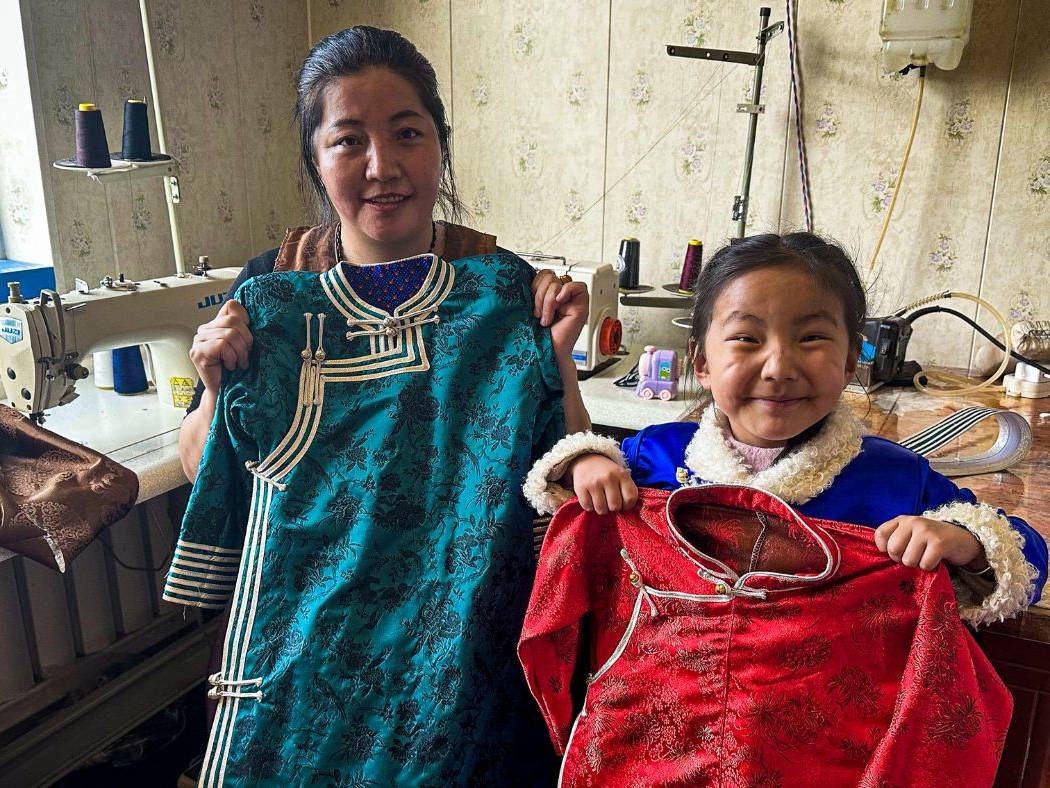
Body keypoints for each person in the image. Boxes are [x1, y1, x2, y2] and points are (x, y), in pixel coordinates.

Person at [170, 26, 590, 784]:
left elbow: (557, 473)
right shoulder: (270, 289)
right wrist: (215, 384)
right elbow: (214, 468)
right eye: (348, 141)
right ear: (314, 160)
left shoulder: (500, 285)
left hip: (457, 646)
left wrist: (557, 355)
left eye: (406, 135)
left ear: (440, 145)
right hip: (309, 639)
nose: (382, 168)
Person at [524, 232, 1047, 626]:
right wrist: (586, 462)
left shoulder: (896, 479)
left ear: (849, 362)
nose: (778, 367)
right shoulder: (653, 457)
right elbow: (572, 490)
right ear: (701, 362)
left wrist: (964, 540)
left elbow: (1026, 556)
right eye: (747, 338)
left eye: (813, 337)